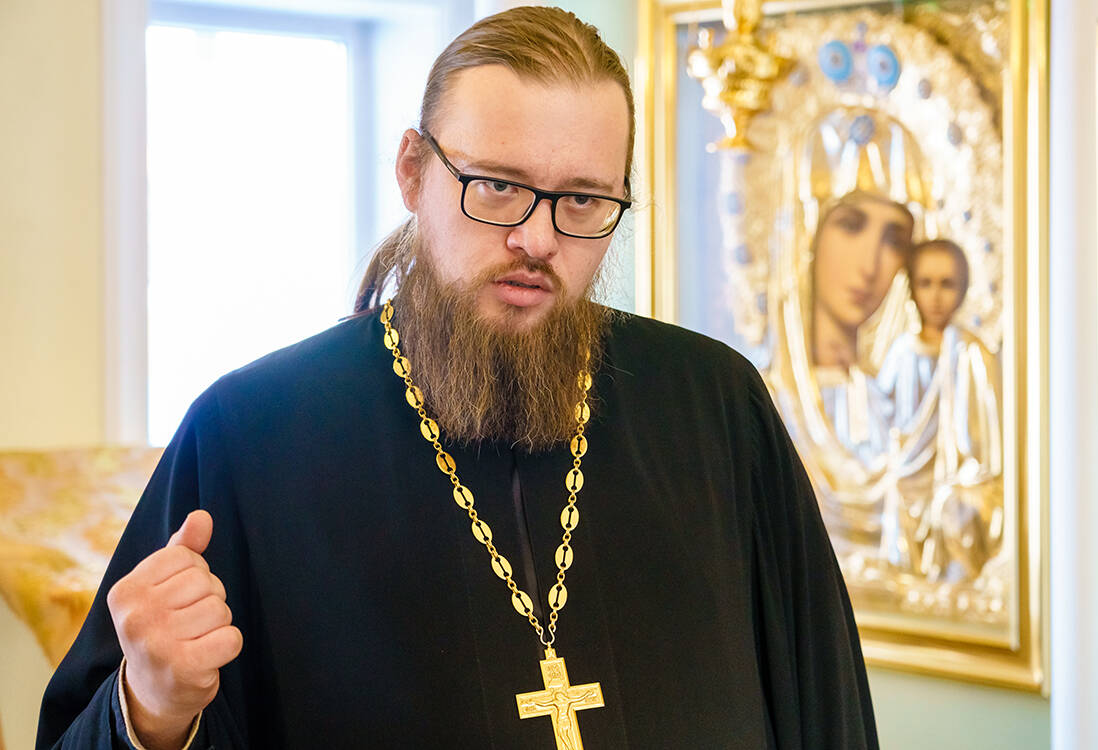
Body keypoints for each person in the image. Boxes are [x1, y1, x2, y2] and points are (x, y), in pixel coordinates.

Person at [37, 7, 876, 749]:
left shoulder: (716, 407)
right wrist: (152, 712)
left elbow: (828, 712)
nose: (538, 239)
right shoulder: (250, 434)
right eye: (498, 187)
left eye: (583, 201)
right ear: (413, 171)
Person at [875, 240, 1002, 580]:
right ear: (912, 288)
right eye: (925, 283)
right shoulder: (902, 351)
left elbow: (986, 436)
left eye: (947, 284)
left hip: (958, 474)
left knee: (955, 504)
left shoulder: (972, 351)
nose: (935, 296)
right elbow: (883, 411)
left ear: (963, 288)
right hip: (909, 469)